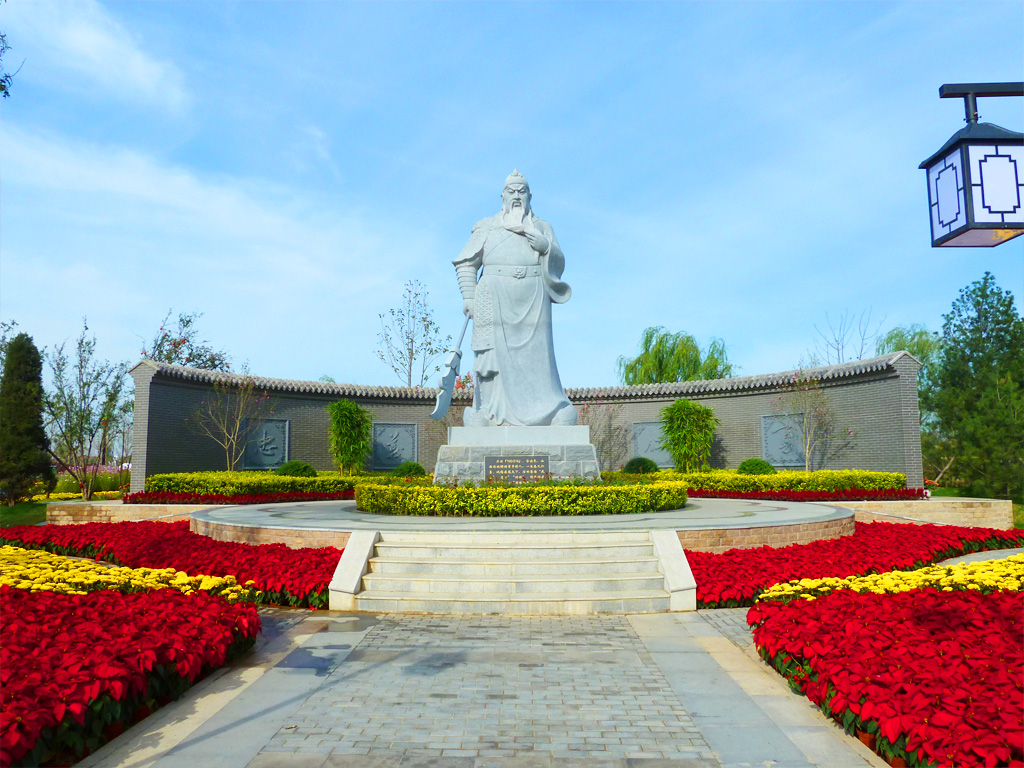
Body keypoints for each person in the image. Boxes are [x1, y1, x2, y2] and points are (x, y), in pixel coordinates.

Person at [453, 170, 577, 427]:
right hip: (494, 300)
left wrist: (545, 247)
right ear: (503, 197)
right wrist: (469, 297)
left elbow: (559, 262)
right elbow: (466, 263)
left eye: (522, 191)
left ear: (530, 196)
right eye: (512, 191)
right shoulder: (487, 226)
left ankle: (549, 411)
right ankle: (488, 412)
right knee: (491, 360)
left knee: (539, 361)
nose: (517, 196)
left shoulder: (542, 227)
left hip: (534, 302)